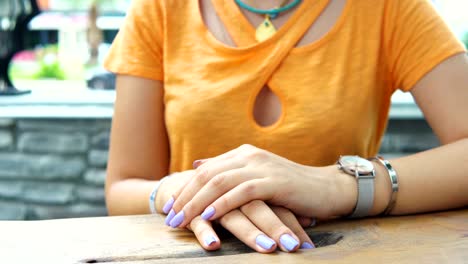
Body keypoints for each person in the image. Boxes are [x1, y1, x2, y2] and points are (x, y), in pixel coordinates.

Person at [103, 0, 468, 254]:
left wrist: (336, 186)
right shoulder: (158, 8)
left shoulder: (389, 8)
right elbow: (123, 186)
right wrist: (190, 191)